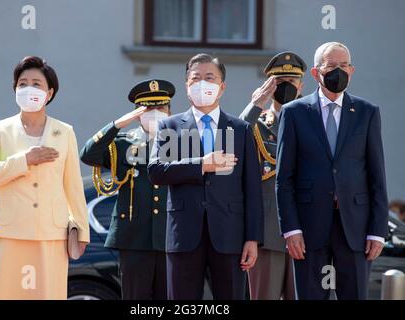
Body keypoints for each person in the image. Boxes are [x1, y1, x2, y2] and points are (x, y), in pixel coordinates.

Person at [276, 42, 389, 300]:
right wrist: (291, 229)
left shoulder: (367, 112)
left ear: (352, 70)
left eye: (344, 66)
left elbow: (377, 176)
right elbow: (284, 178)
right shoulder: (294, 113)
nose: (338, 71)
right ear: (316, 73)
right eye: (331, 66)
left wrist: (377, 230)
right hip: (308, 227)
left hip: (356, 228)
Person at [148, 53, 264, 300]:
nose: (202, 84)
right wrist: (201, 164)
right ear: (187, 86)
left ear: (221, 87)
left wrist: (253, 238)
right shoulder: (171, 126)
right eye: (196, 78)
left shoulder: (240, 129)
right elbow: (157, 171)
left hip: (229, 235)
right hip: (184, 234)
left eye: (209, 78)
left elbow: (252, 188)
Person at [0, 56, 89, 300]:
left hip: (51, 233)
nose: (29, 89)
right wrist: (24, 160)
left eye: (36, 84)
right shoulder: (0, 129)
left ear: (49, 93)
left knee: (48, 294)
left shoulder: (64, 131)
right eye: (22, 83)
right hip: (11, 231)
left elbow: (73, 186)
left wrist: (81, 230)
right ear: (15, 90)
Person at [80, 79, 175, 300]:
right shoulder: (122, 143)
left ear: (170, 111)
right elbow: (88, 154)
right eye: (149, 108)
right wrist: (117, 125)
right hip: (134, 240)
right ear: (137, 114)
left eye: (161, 107)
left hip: (170, 238)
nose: (155, 113)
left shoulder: (183, 143)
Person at [239, 51, 306, 300]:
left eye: (291, 82)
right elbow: (232, 139)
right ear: (269, 85)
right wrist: (256, 104)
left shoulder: (315, 120)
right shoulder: (257, 123)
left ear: (301, 85)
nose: (286, 87)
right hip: (268, 232)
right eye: (279, 82)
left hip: (308, 227)